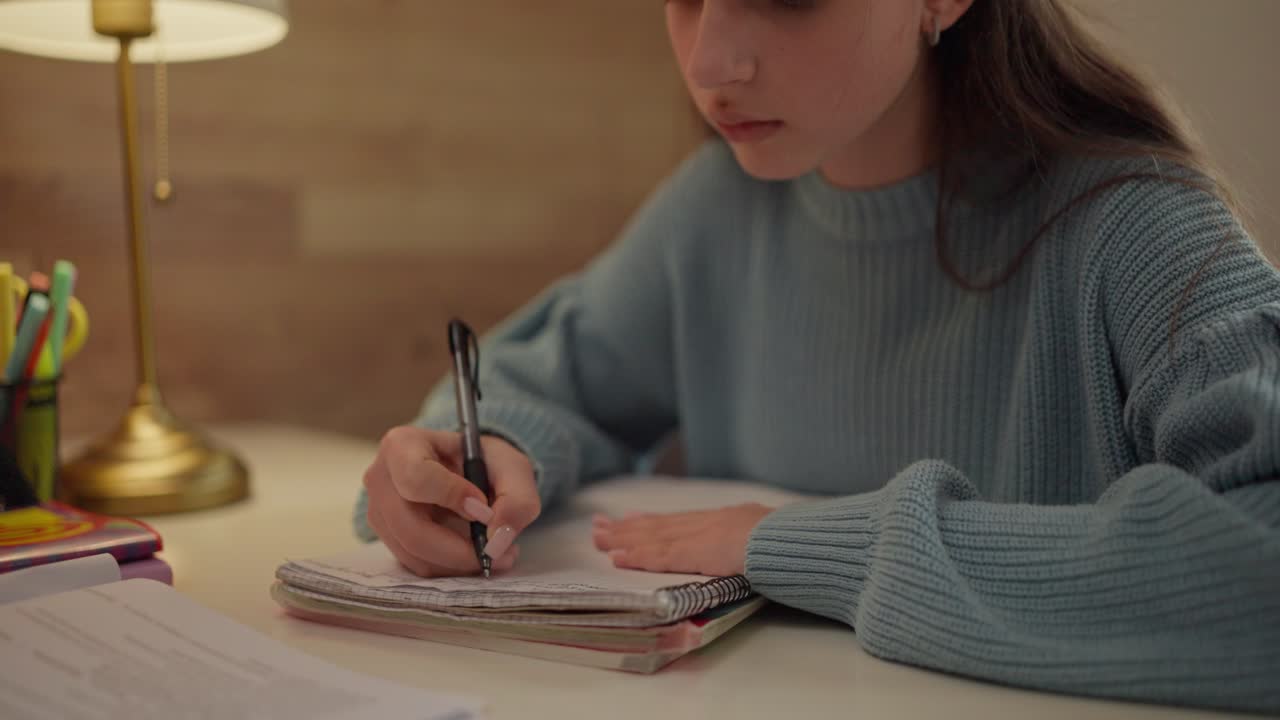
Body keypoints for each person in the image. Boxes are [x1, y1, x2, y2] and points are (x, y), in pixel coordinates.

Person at [356, 0, 1280, 713]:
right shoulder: (716, 211)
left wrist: (806, 545)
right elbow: (535, 382)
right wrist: (471, 458)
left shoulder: (1135, 222)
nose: (709, 61)